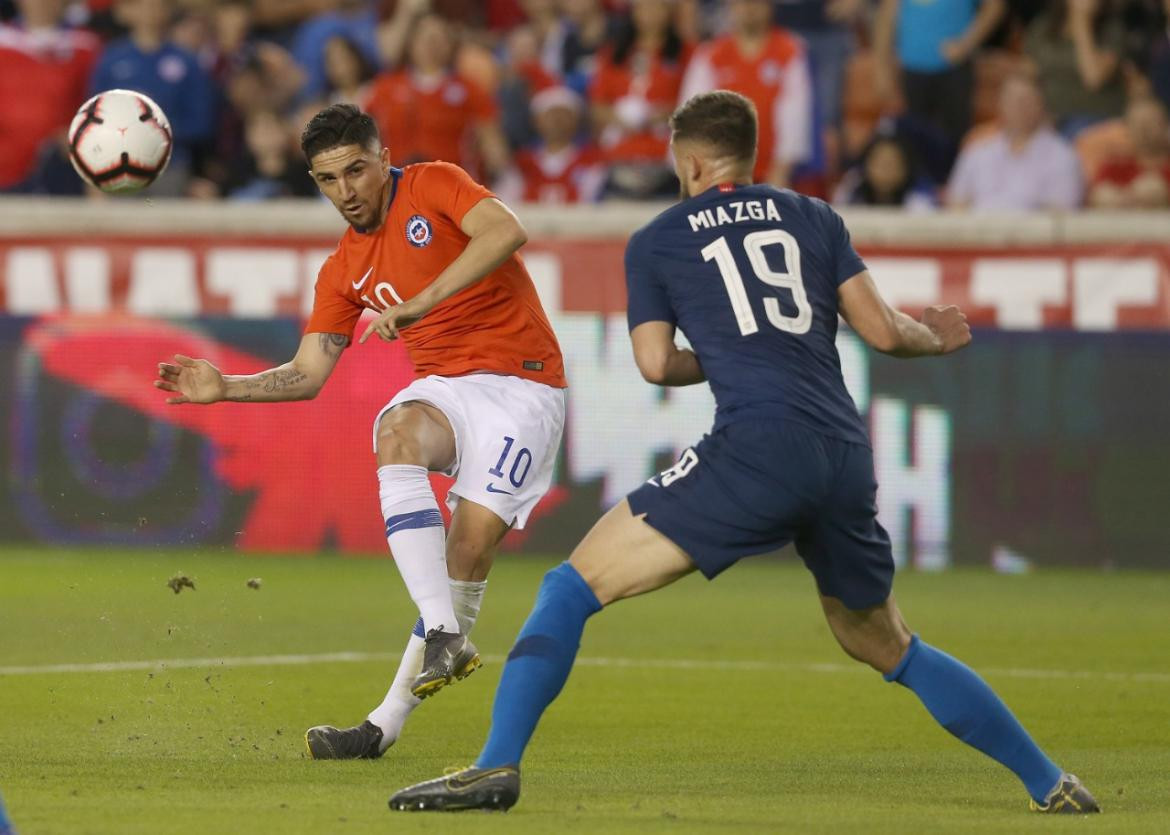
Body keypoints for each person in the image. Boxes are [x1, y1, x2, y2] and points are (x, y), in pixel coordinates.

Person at [387, 90, 1100, 816]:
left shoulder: (660, 237)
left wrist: (727, 355)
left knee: (568, 589)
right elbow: (885, 332)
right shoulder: (816, 217)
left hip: (757, 445)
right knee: (885, 641)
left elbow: (656, 363)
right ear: (747, 154)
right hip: (842, 450)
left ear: (689, 159)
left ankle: (494, 765)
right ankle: (1050, 780)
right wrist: (934, 336)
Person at [153, 103, 567, 759]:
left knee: (469, 550)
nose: (345, 191)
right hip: (448, 389)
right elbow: (309, 372)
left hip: (525, 385)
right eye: (327, 179)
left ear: (382, 157)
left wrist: (422, 301)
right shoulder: (342, 269)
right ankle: (442, 632)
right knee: (395, 432)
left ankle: (385, 723)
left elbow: (505, 232)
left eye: (355, 170)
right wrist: (225, 388)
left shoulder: (433, 183)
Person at [679, 0, 814, 188]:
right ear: (730, 7)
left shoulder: (789, 51)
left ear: (770, 7)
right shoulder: (711, 55)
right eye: (743, 3)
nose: (750, 9)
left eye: (756, 3)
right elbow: (693, 119)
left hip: (772, 172)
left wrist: (781, 171)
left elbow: (795, 116)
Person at [88, 0, 217, 195]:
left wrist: (154, 126)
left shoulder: (187, 62)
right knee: (121, 224)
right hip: (118, 166)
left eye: (158, 4)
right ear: (128, 11)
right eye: (142, 4)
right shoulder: (112, 59)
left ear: (168, 10)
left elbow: (200, 121)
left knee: (166, 224)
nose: (150, 9)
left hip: (169, 166)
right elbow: (93, 115)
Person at [873, 0, 1006, 174]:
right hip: (912, 70)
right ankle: (920, 189)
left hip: (954, 70)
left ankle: (956, 189)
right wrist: (881, 68)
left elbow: (995, 7)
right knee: (913, 141)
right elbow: (886, 18)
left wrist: (966, 44)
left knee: (956, 142)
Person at [946, 74, 1082, 210]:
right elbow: (955, 204)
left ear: (1041, 105)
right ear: (1000, 104)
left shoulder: (1062, 156)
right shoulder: (977, 152)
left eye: (1026, 101)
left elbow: (1062, 212)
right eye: (1012, 100)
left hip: (1032, 229)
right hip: (978, 228)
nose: (1019, 108)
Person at [1023, 0, 1127, 137]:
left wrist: (1082, 22)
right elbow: (1028, 76)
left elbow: (1093, 77)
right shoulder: (1044, 26)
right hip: (1049, 116)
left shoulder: (1112, 29)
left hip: (1095, 118)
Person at [496, 85, 606, 204]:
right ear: (536, 121)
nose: (557, 120)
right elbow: (505, 203)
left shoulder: (592, 161)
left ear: (576, 121)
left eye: (564, 114)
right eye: (550, 115)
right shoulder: (521, 164)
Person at [1088, 96, 1170, 210]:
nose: (1143, 130)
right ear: (1127, 129)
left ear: (1165, 125)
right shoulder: (1114, 164)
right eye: (1137, 124)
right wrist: (1129, 198)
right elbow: (1096, 197)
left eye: (1150, 123)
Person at [832, 133, 937, 210]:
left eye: (892, 163)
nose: (885, 170)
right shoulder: (851, 189)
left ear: (905, 169)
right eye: (880, 163)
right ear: (866, 165)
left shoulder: (919, 201)